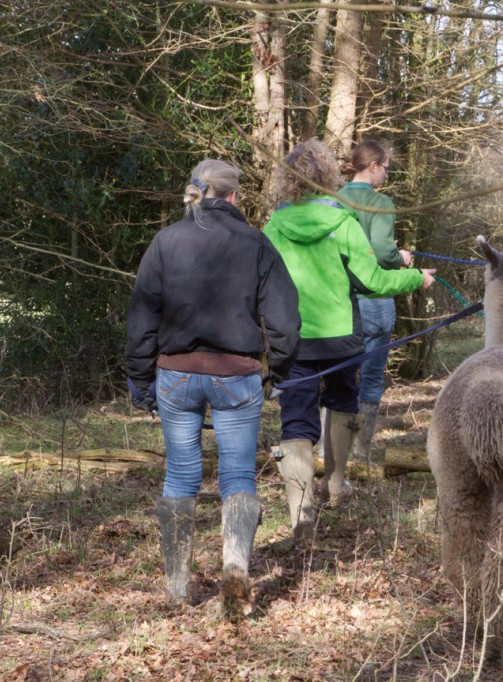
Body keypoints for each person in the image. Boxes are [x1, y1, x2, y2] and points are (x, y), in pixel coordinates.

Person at [125, 159, 300, 620]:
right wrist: (279, 370)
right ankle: (236, 564)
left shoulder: (165, 242)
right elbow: (284, 320)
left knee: (181, 476)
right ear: (234, 197)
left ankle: (177, 588)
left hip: (176, 377)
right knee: (238, 476)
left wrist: (139, 378)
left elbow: (142, 318)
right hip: (236, 376)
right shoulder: (256, 243)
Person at [262, 139, 434, 539]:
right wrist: (415, 277)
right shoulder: (342, 224)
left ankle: (300, 513)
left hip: (294, 339)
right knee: (342, 402)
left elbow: (260, 285)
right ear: (328, 177)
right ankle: (335, 484)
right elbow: (373, 282)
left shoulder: (273, 227)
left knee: (296, 420)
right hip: (341, 337)